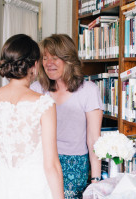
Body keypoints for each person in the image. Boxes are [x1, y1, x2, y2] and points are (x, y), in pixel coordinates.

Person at [0, 34, 64, 199]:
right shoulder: (44, 104)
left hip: (4, 186)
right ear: (34, 65)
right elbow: (51, 165)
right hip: (36, 187)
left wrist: (7, 179)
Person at [30, 34, 103, 198]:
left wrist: (96, 179)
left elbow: (93, 138)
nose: (48, 63)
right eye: (45, 58)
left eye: (55, 58)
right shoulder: (36, 89)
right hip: (42, 161)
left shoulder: (89, 90)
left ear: (68, 60)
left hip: (74, 165)